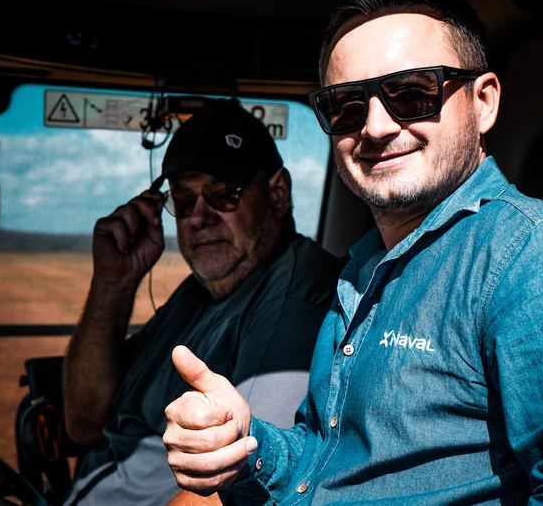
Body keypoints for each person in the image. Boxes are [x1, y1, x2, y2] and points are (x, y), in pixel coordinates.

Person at [161, 0, 543, 505]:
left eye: (412, 92)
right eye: (347, 105)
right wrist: (246, 447)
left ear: (484, 102)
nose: (375, 126)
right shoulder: (366, 268)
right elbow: (327, 464)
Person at [61, 98, 344, 506]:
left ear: (278, 194)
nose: (199, 217)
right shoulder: (201, 290)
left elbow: (240, 483)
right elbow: (85, 423)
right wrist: (112, 282)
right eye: (183, 200)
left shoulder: (294, 295)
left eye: (223, 194)